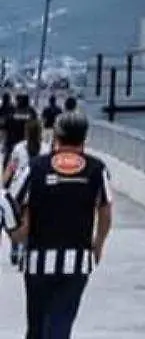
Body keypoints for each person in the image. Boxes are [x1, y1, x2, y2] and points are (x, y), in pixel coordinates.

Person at [10, 112, 113, 338]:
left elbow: (12, 202)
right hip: (77, 262)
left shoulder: (36, 167)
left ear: (55, 136)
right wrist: (98, 244)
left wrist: (15, 234)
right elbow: (105, 211)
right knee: (60, 323)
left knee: (36, 326)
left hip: (38, 261)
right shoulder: (97, 169)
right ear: (84, 138)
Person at [4, 118, 47, 268]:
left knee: (15, 221)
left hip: (18, 191)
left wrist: (3, 186)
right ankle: (27, 248)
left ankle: (16, 247)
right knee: (33, 222)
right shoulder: (46, 149)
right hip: (39, 191)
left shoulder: (18, 148)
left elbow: (10, 169)